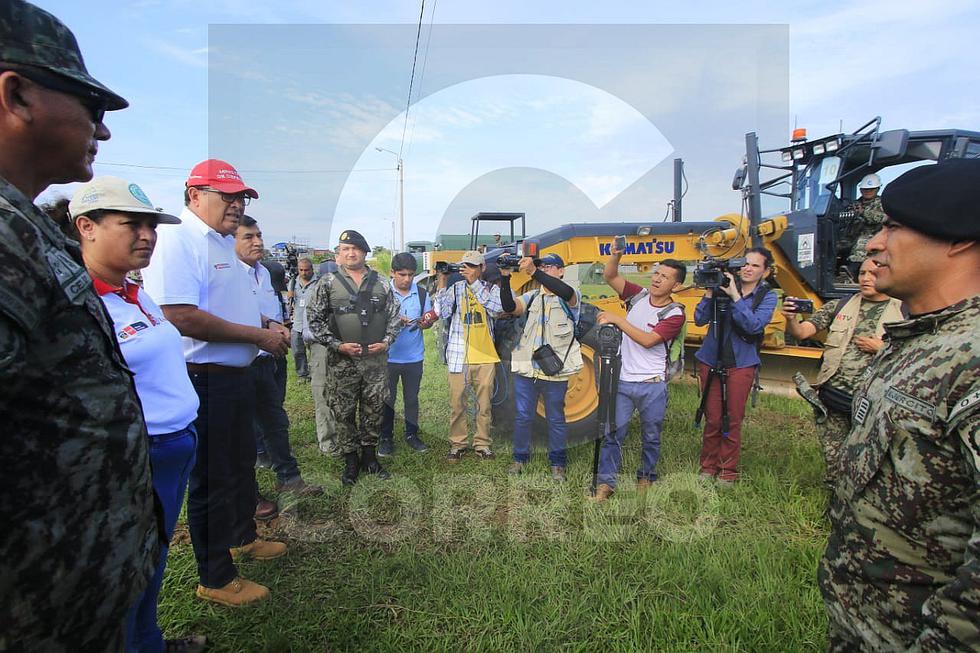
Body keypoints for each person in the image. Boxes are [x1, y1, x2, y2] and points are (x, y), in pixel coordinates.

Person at [0, 3, 162, 649]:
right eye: (90, 107)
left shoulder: (27, 226)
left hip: (67, 587)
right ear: (17, 94)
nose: (104, 130)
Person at [819, 159, 980, 651]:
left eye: (894, 226)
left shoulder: (969, 358)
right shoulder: (918, 340)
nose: (873, 243)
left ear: (958, 239)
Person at [142, 159, 290, 607]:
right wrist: (257, 335)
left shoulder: (222, 244)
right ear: (193, 196)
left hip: (236, 375)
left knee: (241, 463)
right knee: (212, 477)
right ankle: (216, 575)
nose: (236, 204)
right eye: (226, 196)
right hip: (204, 378)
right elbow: (179, 315)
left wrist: (264, 322)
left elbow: (228, 305)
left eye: (241, 197)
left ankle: (243, 535)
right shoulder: (178, 241)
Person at [68, 177, 206, 653]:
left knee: (155, 558)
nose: (147, 235)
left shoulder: (133, 293)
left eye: (151, 225)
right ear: (86, 227)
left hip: (173, 445)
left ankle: (148, 640)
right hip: (135, 454)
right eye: (132, 224)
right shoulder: (77, 304)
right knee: (128, 565)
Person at [783, 258, 902, 483]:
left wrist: (882, 348)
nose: (866, 279)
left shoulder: (904, 311)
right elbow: (803, 332)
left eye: (873, 274)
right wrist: (791, 320)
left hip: (873, 404)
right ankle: (836, 501)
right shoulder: (839, 306)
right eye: (862, 273)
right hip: (834, 398)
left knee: (870, 461)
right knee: (834, 460)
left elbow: (917, 353)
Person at [235, 216, 322, 499]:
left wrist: (277, 330)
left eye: (259, 235)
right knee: (243, 430)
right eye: (248, 236)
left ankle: (289, 478)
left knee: (276, 420)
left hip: (272, 358)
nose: (257, 241)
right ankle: (251, 494)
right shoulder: (227, 275)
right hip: (241, 363)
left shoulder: (266, 274)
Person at [306, 229, 402, 485]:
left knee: (374, 409)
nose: (350, 253)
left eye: (355, 249)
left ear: (364, 252)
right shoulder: (327, 283)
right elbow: (314, 320)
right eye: (345, 249)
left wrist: (386, 342)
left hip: (375, 362)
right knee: (344, 411)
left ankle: (370, 456)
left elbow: (394, 317)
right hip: (342, 362)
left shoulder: (381, 283)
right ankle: (351, 459)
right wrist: (337, 345)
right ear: (339, 253)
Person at [591, 252, 687, 500]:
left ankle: (646, 476)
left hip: (652, 385)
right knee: (613, 434)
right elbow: (610, 275)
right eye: (656, 273)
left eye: (665, 277)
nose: (657, 279)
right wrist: (616, 255)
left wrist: (616, 320)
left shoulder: (675, 314)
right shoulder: (638, 296)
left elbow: (647, 341)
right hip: (623, 381)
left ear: (676, 286)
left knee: (651, 435)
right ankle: (606, 484)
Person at [694, 248, 777, 487]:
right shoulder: (721, 285)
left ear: (766, 271)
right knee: (713, 418)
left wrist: (735, 298)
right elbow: (700, 319)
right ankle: (708, 467)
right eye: (745, 264)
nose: (748, 269)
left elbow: (753, 326)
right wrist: (711, 292)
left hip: (741, 363)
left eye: (755, 266)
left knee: (732, 418)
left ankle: (727, 470)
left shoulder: (766, 296)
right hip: (711, 359)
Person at [499, 254, 582, 482]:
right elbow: (509, 306)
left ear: (561, 271)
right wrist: (505, 278)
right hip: (527, 368)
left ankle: (558, 463)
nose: (544, 269)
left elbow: (564, 292)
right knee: (523, 416)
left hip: (555, 370)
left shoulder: (570, 296)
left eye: (549, 266)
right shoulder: (533, 295)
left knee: (556, 417)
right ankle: (519, 458)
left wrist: (535, 271)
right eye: (542, 265)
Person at [435, 250, 504, 461]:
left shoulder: (492, 289)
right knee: (457, 404)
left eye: (473, 266)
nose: (468, 270)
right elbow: (443, 312)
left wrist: (474, 284)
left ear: (482, 268)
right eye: (465, 266)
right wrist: (442, 281)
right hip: (459, 354)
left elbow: (495, 309)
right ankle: (458, 443)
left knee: (484, 405)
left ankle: (482, 444)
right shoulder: (456, 288)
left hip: (484, 355)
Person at [379, 252, 435, 456]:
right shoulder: (382, 293)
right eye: (402, 274)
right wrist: (394, 319)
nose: (407, 279)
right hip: (389, 357)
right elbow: (374, 323)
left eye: (411, 275)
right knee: (388, 399)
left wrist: (426, 323)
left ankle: (412, 434)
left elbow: (427, 321)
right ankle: (385, 437)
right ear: (392, 273)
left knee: (411, 398)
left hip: (414, 357)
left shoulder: (421, 294)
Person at [846, 173, 886, 277]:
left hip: (872, 234)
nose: (867, 192)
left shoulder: (882, 203)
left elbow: (882, 218)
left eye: (871, 189)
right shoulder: (855, 203)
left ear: (877, 189)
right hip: (852, 233)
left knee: (860, 246)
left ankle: (851, 274)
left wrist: (863, 212)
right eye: (865, 189)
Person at [288, 256, 317, 381]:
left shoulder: (319, 282)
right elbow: (290, 302)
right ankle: (302, 374)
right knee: (297, 351)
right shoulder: (293, 282)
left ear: (312, 269)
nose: (304, 273)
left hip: (313, 323)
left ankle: (316, 374)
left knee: (315, 352)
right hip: (298, 323)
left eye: (306, 270)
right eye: (301, 270)